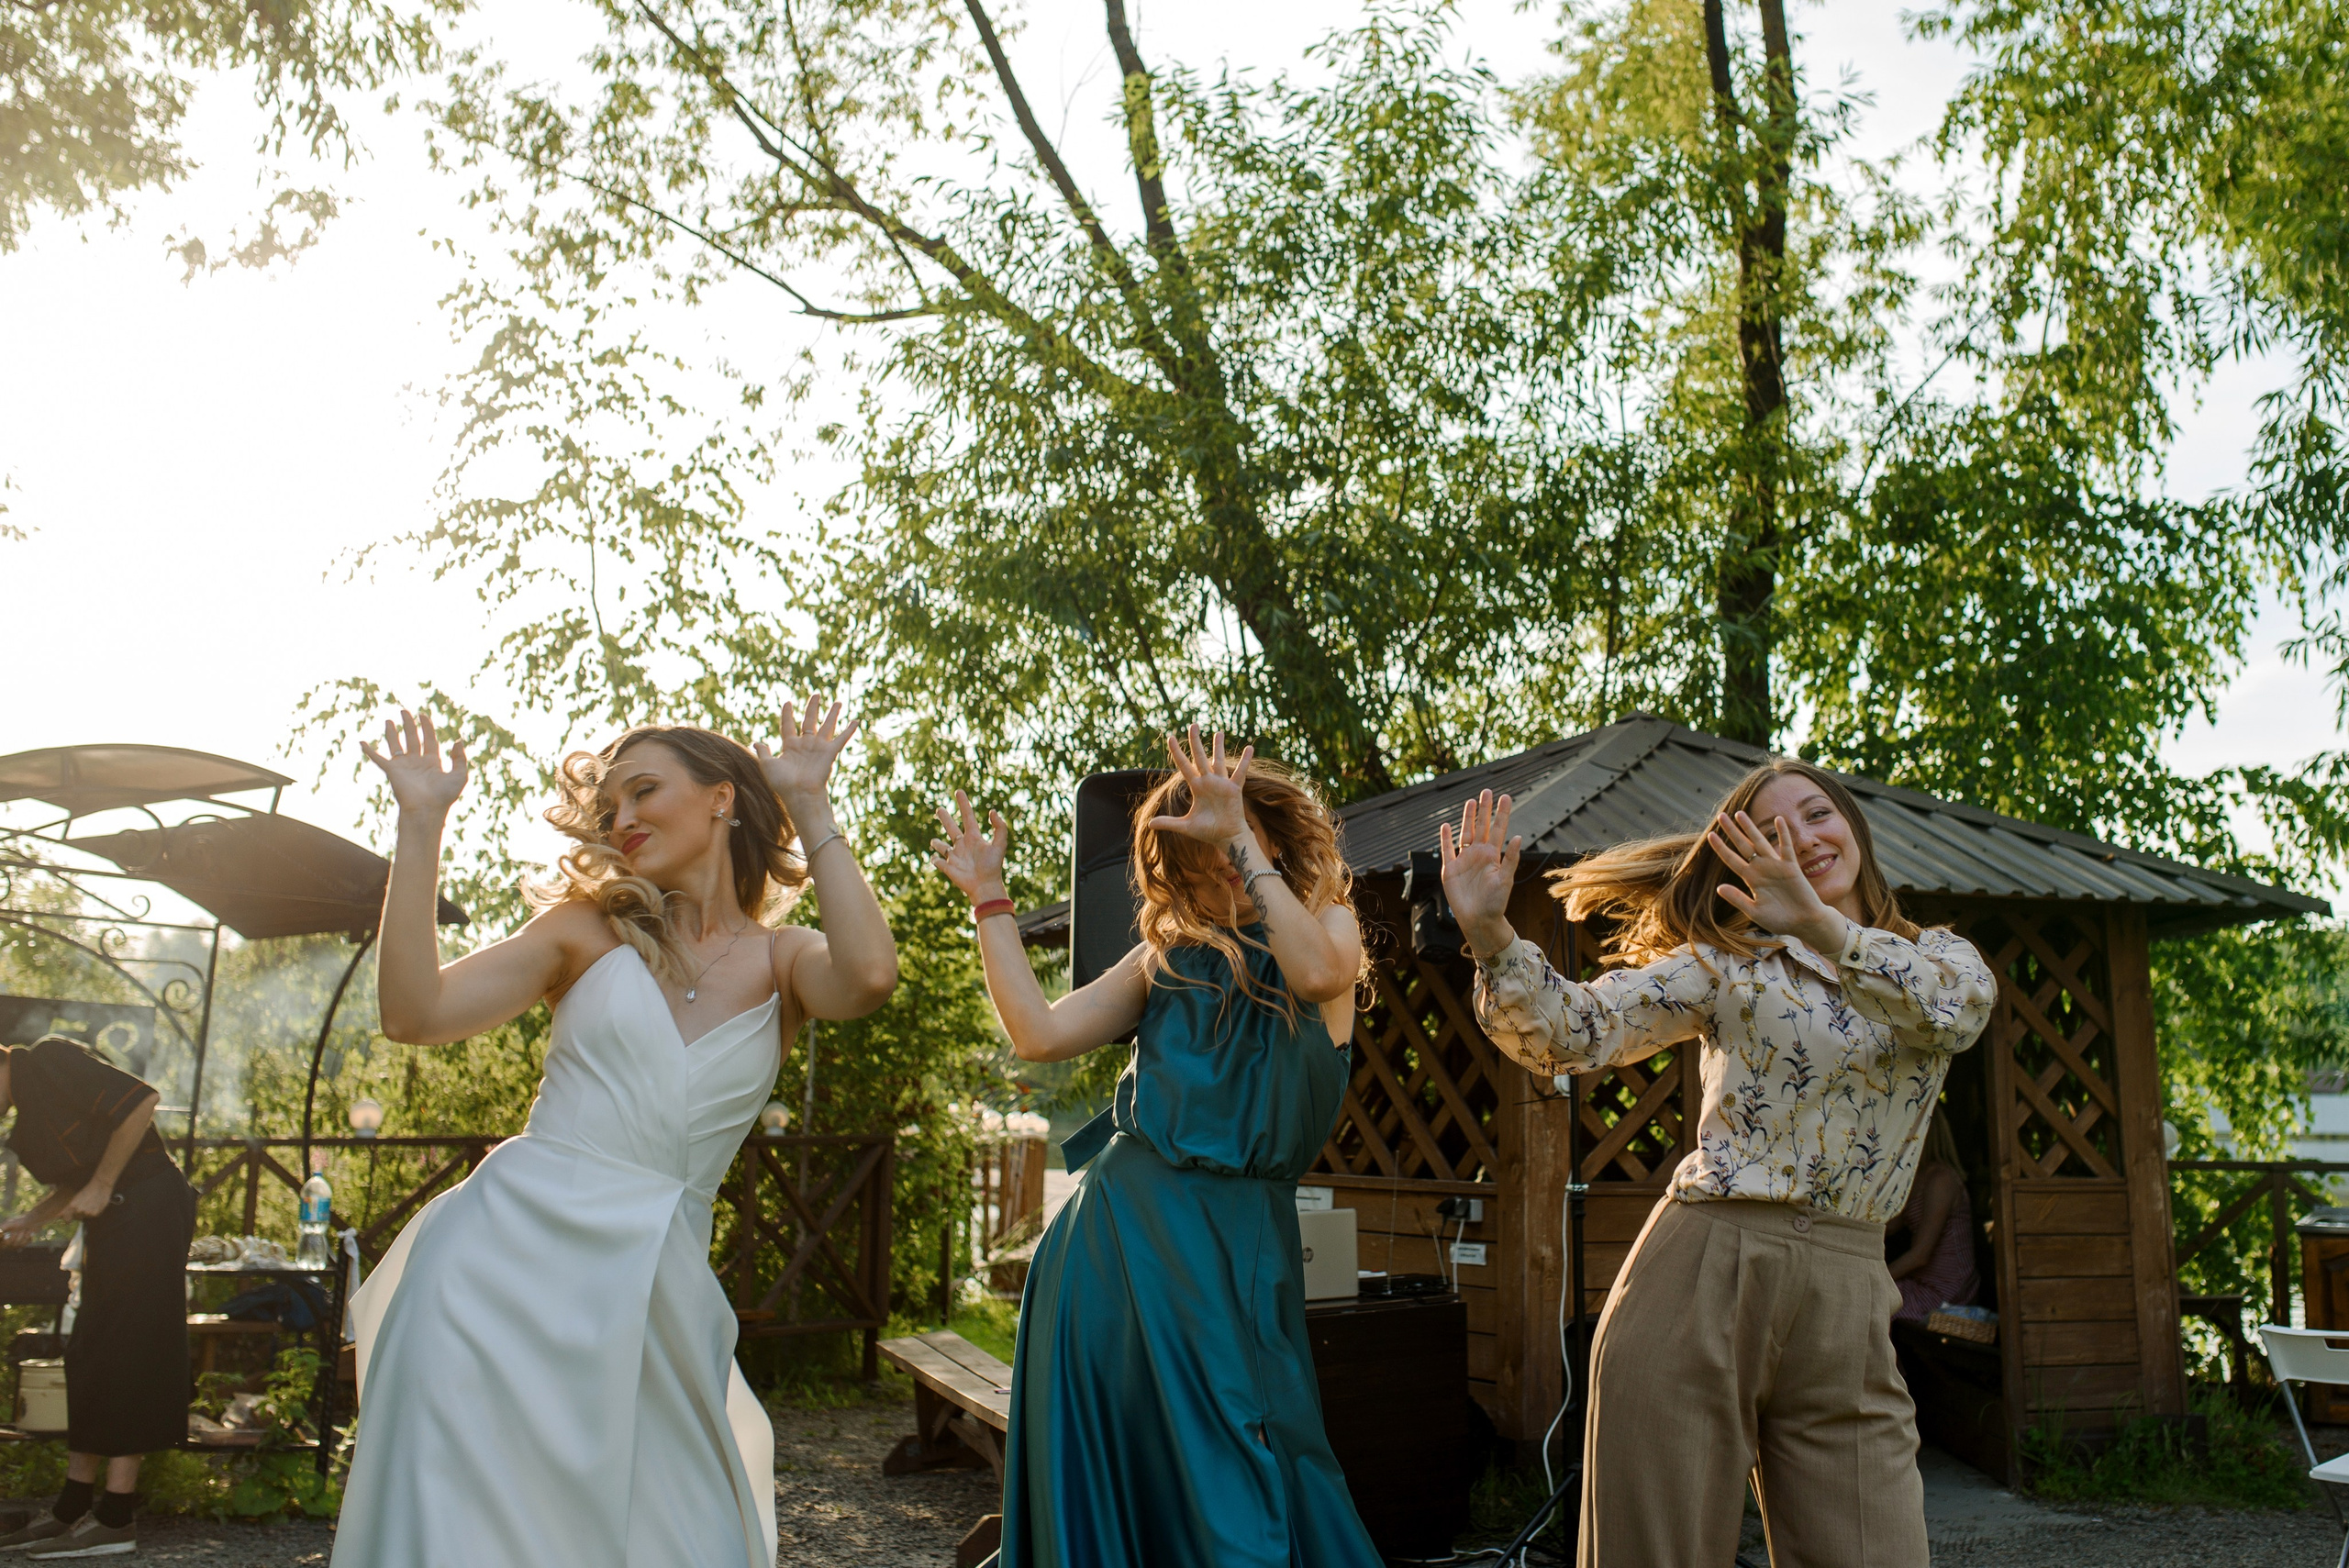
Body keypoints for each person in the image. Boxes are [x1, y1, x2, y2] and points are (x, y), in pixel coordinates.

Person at [331, 703, 898, 1568]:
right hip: (491, 1280)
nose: (623, 818)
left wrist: (811, 803)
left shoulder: (785, 960)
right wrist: (420, 826)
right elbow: (415, 1013)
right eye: (610, 809)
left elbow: (868, 976)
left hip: (657, 1297)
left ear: (721, 799)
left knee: (684, 1540)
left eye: (644, 792)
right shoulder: (583, 935)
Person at [1437, 758, 1997, 1568]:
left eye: (1816, 815)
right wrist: (1490, 934)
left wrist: (1818, 925)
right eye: (1773, 833)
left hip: (1848, 1294)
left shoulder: (1939, 959)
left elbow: (1957, 1015)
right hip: (1703, 1270)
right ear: (1744, 863)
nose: (1803, 839)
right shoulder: (1723, 964)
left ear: (1855, 827)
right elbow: (1575, 1031)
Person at [930, 728, 1382, 1568]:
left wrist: (1235, 834)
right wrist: (990, 899)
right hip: (1111, 1244)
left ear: (1270, 836)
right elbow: (1036, 1032)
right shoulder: (1166, 956)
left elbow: (1319, 976)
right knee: (1121, 1468)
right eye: (1191, 858)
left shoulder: (1329, 925)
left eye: (1224, 846)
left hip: (1234, 1239)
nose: (1211, 870)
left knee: (1251, 1468)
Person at [0, 1036, 195, 1560]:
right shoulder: (28, 1120)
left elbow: (141, 1101)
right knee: (88, 1353)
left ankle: (115, 1516)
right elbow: (76, 1181)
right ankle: (71, 1507)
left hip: (151, 1211)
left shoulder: (49, 1060)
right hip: (114, 1223)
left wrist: (104, 1184)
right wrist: (32, 1218)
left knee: (126, 1352)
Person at [1887, 1114, 1980, 1324]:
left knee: (1875, 1303)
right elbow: (1888, 1226)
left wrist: (1874, 1280)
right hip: (1923, 1284)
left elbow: (1920, 1255)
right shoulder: (1916, 1178)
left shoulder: (1941, 1180)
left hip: (1948, 1291)